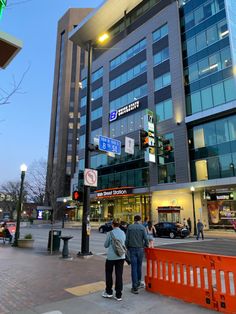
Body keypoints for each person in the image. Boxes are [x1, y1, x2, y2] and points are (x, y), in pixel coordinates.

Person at [102, 219, 126, 301]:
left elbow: (106, 245)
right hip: (121, 257)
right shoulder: (123, 233)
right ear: (119, 225)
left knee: (109, 274)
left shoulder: (110, 233)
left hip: (111, 257)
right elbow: (124, 243)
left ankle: (109, 292)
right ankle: (118, 295)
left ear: (112, 225)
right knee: (119, 275)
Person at [125, 215, 149, 294]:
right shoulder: (142, 228)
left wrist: (127, 247)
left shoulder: (130, 227)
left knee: (134, 268)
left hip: (132, 249)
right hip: (140, 249)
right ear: (140, 220)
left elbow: (127, 239)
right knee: (139, 266)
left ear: (134, 219)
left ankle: (134, 287)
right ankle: (139, 282)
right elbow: (146, 239)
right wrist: (146, 245)